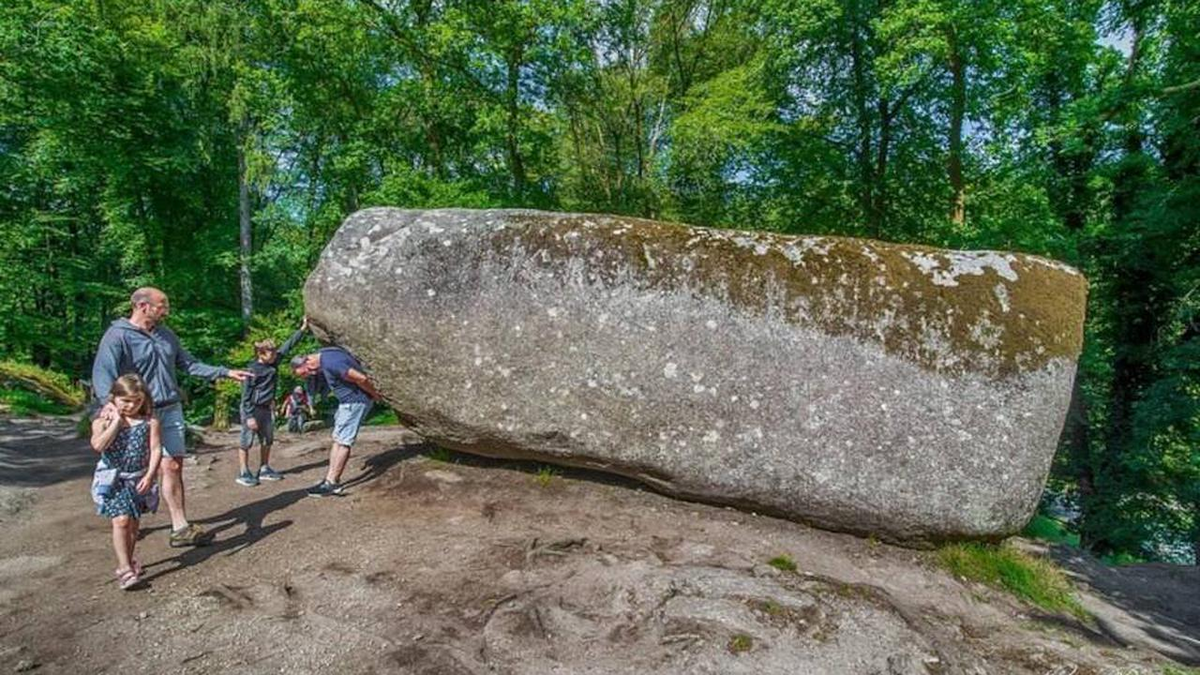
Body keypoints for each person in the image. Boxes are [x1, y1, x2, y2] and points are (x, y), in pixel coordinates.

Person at [91, 287, 252, 547]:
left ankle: (180, 528)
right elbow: (103, 372)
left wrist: (225, 372)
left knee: (172, 466)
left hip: (169, 409)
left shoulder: (166, 335)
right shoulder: (117, 336)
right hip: (137, 413)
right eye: (161, 305)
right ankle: (128, 520)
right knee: (135, 468)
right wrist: (108, 404)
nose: (166, 310)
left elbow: (189, 364)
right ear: (143, 306)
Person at [90, 374, 161, 590]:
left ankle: (129, 561)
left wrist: (150, 475)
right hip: (113, 479)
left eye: (137, 401)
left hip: (138, 478)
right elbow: (98, 445)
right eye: (126, 401)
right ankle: (124, 568)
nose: (131, 406)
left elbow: (156, 449)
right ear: (115, 398)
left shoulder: (150, 422)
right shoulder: (103, 421)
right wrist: (117, 424)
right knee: (120, 521)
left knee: (133, 524)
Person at [290, 346, 381, 497]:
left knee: (344, 441)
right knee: (337, 440)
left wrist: (374, 394)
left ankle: (332, 483)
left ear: (307, 361)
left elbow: (361, 378)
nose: (311, 374)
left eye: (306, 372)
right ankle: (329, 479)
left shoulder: (332, 362)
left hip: (354, 403)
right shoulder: (327, 354)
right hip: (347, 403)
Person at [235, 319, 308, 486]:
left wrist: (302, 329)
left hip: (267, 408)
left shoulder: (273, 363)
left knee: (267, 439)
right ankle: (244, 471)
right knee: (246, 440)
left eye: (275, 353)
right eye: (271, 353)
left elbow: (288, 345)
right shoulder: (251, 370)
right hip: (252, 408)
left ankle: (264, 467)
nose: (275, 355)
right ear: (261, 354)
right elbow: (245, 396)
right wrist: (249, 416)